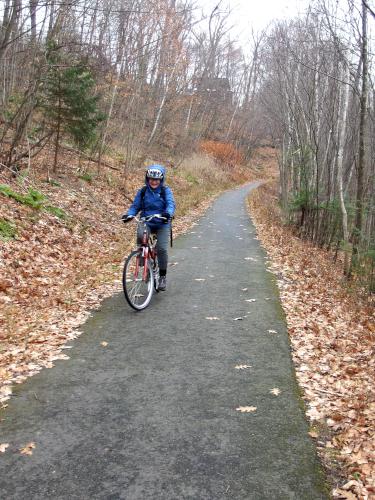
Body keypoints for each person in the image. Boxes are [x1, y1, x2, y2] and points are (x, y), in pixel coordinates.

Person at [122, 164, 176, 291]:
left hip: (162, 221)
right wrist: (129, 215)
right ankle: (143, 258)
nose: (154, 182)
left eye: (157, 180)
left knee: (162, 249)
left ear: (161, 180)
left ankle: (162, 276)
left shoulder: (165, 191)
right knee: (141, 235)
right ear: (147, 179)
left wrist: (168, 213)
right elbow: (135, 206)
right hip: (147, 220)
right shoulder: (143, 191)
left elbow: (170, 204)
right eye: (151, 179)